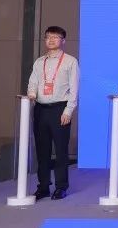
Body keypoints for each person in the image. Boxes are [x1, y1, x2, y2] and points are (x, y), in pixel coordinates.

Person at [26, 26, 80, 200]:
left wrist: (68, 111)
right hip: (40, 109)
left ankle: (61, 187)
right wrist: (31, 94)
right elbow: (33, 82)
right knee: (42, 150)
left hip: (59, 109)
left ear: (63, 41)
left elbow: (74, 89)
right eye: (48, 37)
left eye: (55, 37)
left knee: (61, 150)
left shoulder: (70, 61)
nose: (51, 40)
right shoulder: (39, 62)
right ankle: (43, 186)